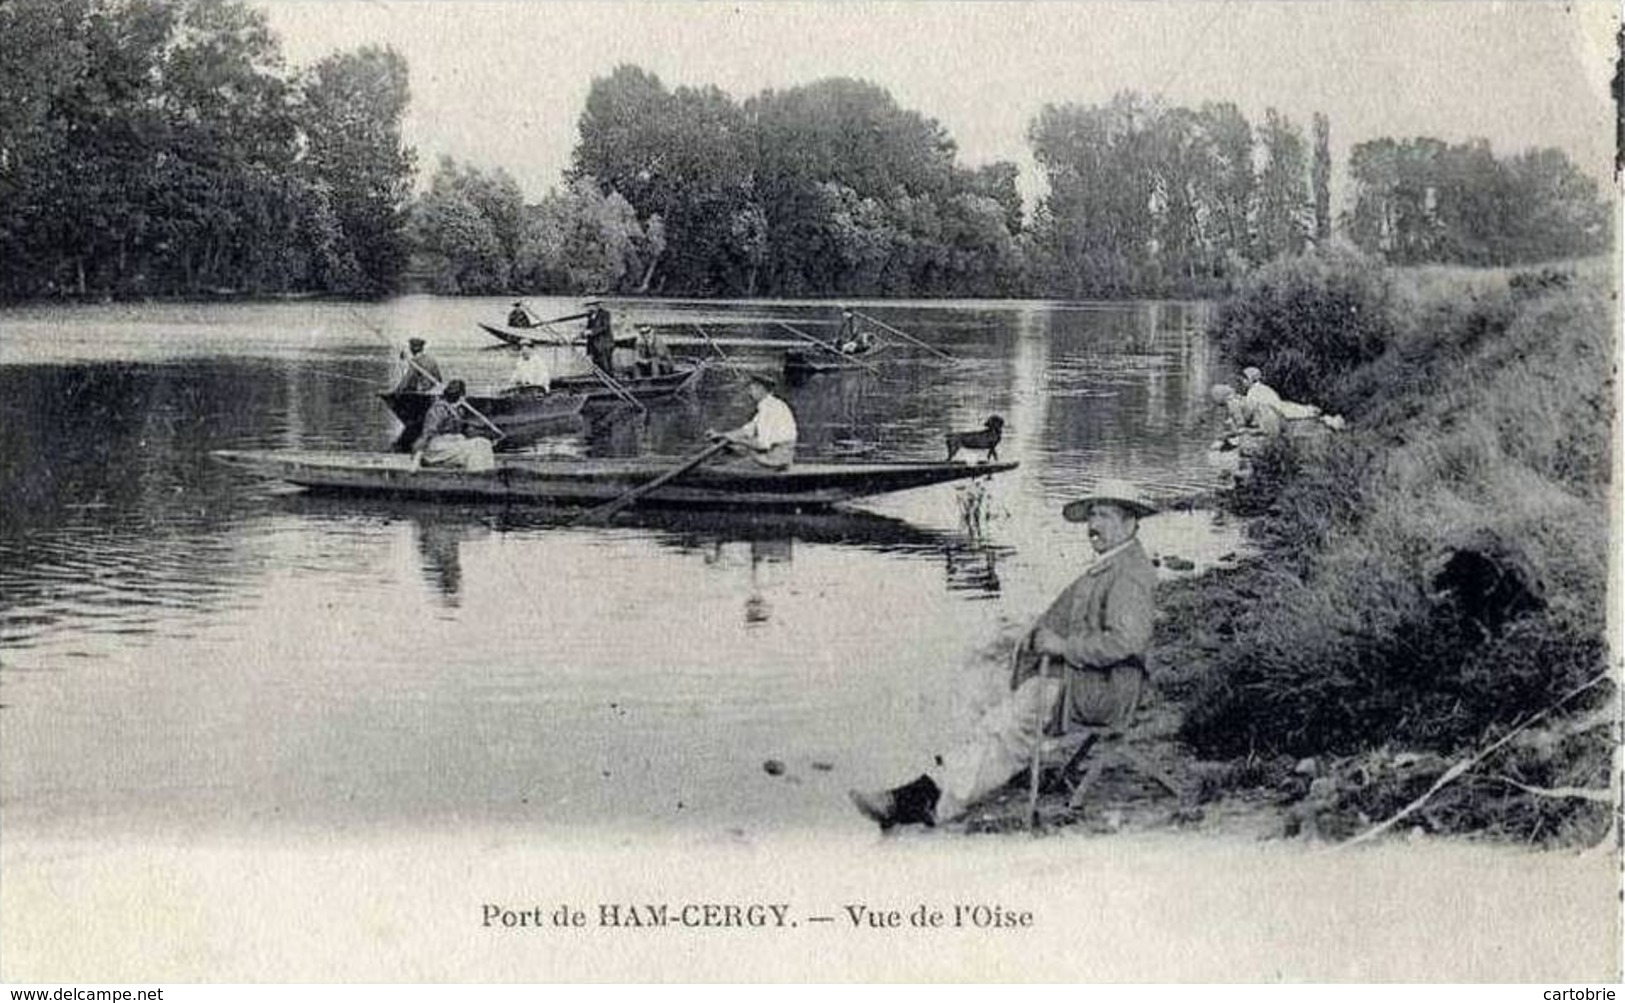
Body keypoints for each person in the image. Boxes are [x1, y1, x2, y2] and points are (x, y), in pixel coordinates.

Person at [848, 480, 1159, 829]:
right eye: (1091, 515)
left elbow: (1126, 643)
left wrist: (1060, 646)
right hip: (1085, 677)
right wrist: (1026, 631)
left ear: (1130, 523)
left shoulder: (1129, 574)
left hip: (1106, 691)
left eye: (1103, 516)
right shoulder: (1113, 562)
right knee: (979, 682)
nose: (1092, 526)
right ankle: (955, 772)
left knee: (1013, 719)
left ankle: (927, 801)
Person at [706, 372, 798, 470]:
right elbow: (746, 431)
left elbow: (762, 445)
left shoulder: (770, 409)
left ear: (761, 388)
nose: (750, 392)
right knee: (730, 451)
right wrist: (722, 435)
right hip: (774, 455)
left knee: (727, 465)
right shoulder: (769, 405)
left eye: (752, 388)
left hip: (775, 459)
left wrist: (736, 440)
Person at [411, 380, 496, 472]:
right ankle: (476, 475)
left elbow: (465, 429)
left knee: (484, 443)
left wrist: (486, 434)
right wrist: (417, 455)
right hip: (438, 449)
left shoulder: (458, 410)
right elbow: (427, 434)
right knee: (476, 447)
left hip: (452, 445)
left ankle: (485, 473)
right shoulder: (439, 409)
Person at [1241, 366, 1322, 421]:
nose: (1242, 382)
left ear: (1251, 379)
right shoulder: (1264, 388)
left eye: (1245, 379)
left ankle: (1310, 411)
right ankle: (1309, 410)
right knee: (1291, 407)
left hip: (1276, 412)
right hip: (1277, 408)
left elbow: (1248, 413)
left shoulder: (1253, 392)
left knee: (1291, 411)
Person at [584, 300, 616, 375]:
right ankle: (597, 380)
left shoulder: (605, 314)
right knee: (596, 366)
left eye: (590, 305)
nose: (588, 308)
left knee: (605, 366)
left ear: (596, 305)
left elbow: (604, 327)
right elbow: (588, 330)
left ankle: (609, 380)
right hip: (594, 345)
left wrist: (592, 332)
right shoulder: (591, 316)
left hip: (604, 344)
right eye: (588, 306)